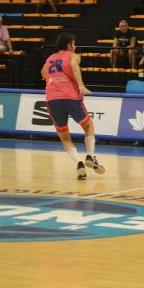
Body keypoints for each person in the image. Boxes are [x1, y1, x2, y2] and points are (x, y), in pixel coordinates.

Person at [41, 33, 105, 180]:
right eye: (74, 44)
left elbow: (43, 72)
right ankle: (91, 155)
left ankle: (79, 164)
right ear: (70, 45)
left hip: (52, 99)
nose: (75, 46)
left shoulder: (50, 58)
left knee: (64, 136)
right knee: (88, 126)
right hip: (70, 96)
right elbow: (74, 66)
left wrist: (51, 78)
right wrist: (81, 85)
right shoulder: (73, 55)